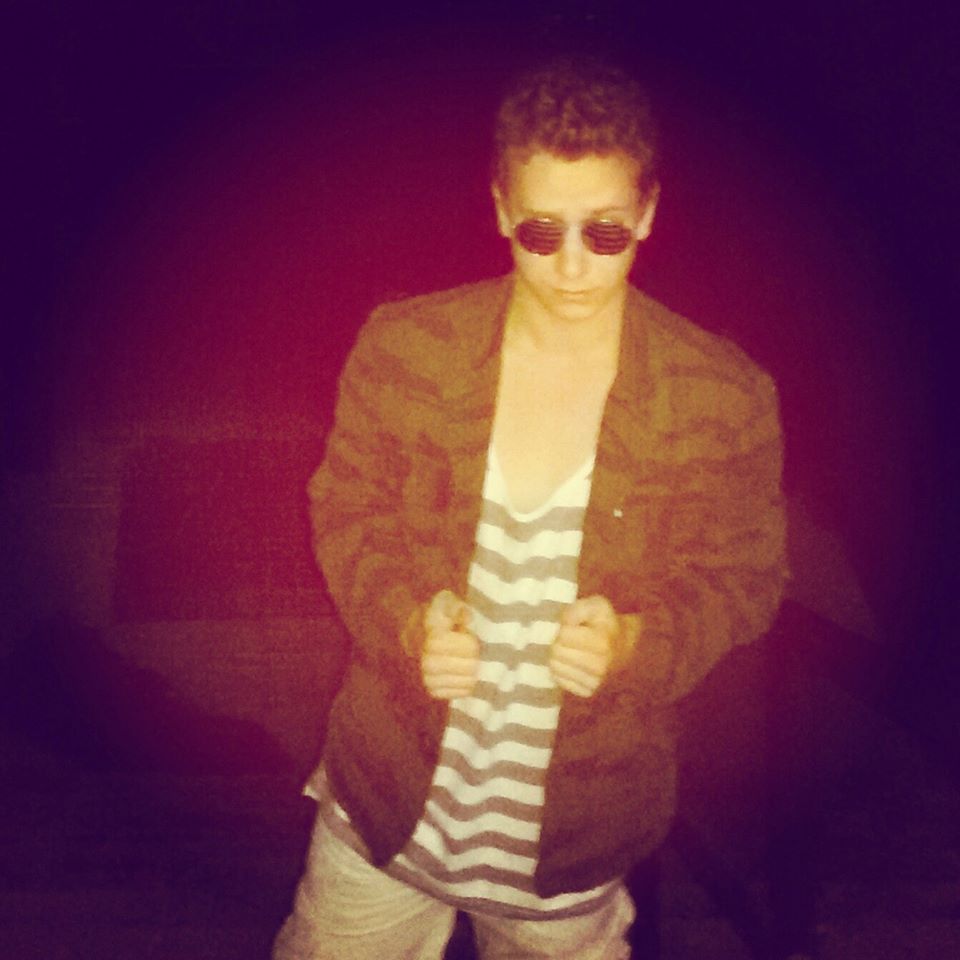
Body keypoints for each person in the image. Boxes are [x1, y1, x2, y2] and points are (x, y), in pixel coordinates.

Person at [273, 57, 788, 959]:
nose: (574, 266)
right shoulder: (406, 347)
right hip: (381, 817)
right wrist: (404, 619)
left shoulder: (720, 394)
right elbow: (346, 508)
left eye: (607, 231)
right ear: (502, 209)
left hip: (572, 853)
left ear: (649, 214)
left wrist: (639, 642)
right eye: (543, 231)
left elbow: (745, 577)